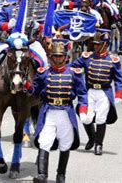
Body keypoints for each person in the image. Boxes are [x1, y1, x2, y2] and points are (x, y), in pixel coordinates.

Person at [24, 38, 88, 183]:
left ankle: (61, 175)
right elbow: (35, 90)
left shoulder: (74, 73)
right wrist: (27, 85)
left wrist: (83, 109)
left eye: (60, 56)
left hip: (66, 112)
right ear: (51, 57)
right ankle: (42, 175)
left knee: (65, 144)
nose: (58, 59)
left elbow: (82, 93)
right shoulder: (43, 73)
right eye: (55, 56)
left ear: (66, 57)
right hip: (49, 111)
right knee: (44, 141)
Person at [72, 28, 122, 155]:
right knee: (86, 118)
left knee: (101, 118)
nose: (96, 46)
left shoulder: (113, 60)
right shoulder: (87, 57)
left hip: (104, 93)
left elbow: (118, 79)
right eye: (95, 44)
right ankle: (92, 137)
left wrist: (118, 95)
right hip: (89, 91)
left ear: (105, 44)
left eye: (98, 44)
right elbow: (72, 66)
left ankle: (98, 145)